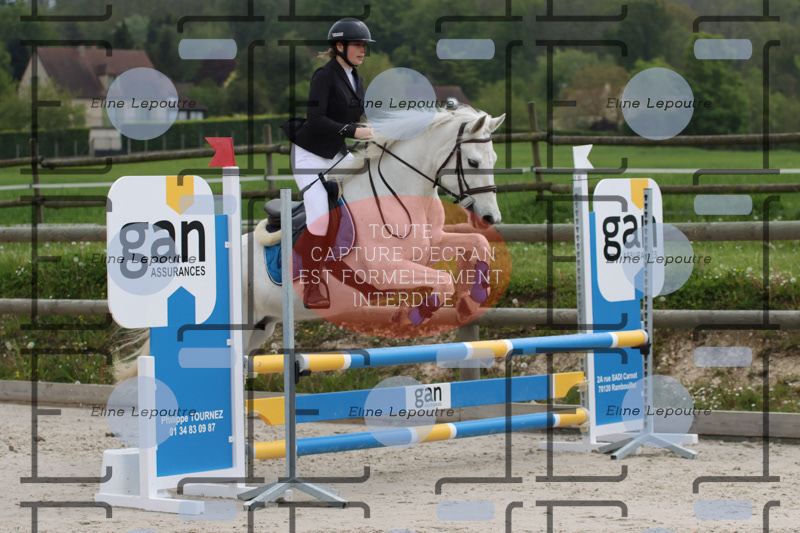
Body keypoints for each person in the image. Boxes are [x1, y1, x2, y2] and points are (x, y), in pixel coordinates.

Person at [282, 18, 375, 309]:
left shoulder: (357, 78)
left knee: (368, 188)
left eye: (364, 45)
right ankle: (311, 285)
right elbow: (315, 120)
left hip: (335, 152)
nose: (363, 50)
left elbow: (359, 120)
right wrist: (352, 131)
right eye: (357, 45)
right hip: (309, 154)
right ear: (339, 46)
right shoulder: (324, 75)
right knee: (320, 217)